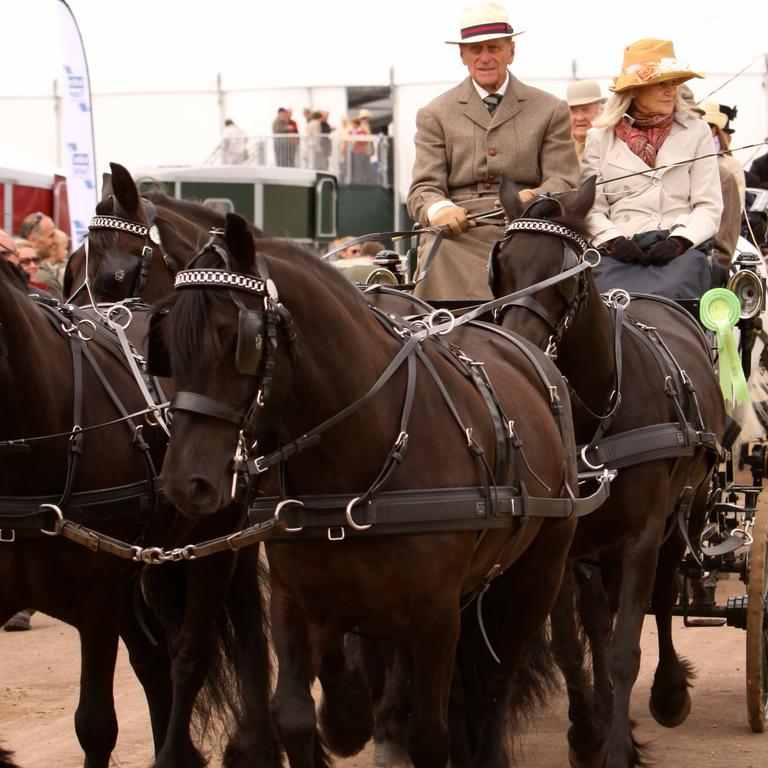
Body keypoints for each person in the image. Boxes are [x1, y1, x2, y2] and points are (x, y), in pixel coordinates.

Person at [406, 1, 579, 301]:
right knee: (440, 251)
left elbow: (564, 181)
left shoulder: (550, 109)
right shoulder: (435, 113)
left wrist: (534, 197)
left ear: (511, 51)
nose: (485, 58)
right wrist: (439, 209)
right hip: (457, 234)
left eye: (494, 48)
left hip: (528, 226)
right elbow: (423, 188)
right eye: (475, 50)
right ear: (462, 55)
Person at [581, 38, 723, 300]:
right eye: (661, 84)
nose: (671, 91)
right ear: (634, 90)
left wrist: (680, 241)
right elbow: (592, 207)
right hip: (618, 252)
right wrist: (613, 241)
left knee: (673, 294)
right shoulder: (599, 137)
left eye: (673, 83)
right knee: (602, 306)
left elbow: (709, 206)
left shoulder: (697, 131)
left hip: (678, 251)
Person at [566, 79, 606, 164]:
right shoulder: (560, 146)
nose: (579, 118)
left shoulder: (611, 145)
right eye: (573, 111)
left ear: (601, 111)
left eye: (585, 110)